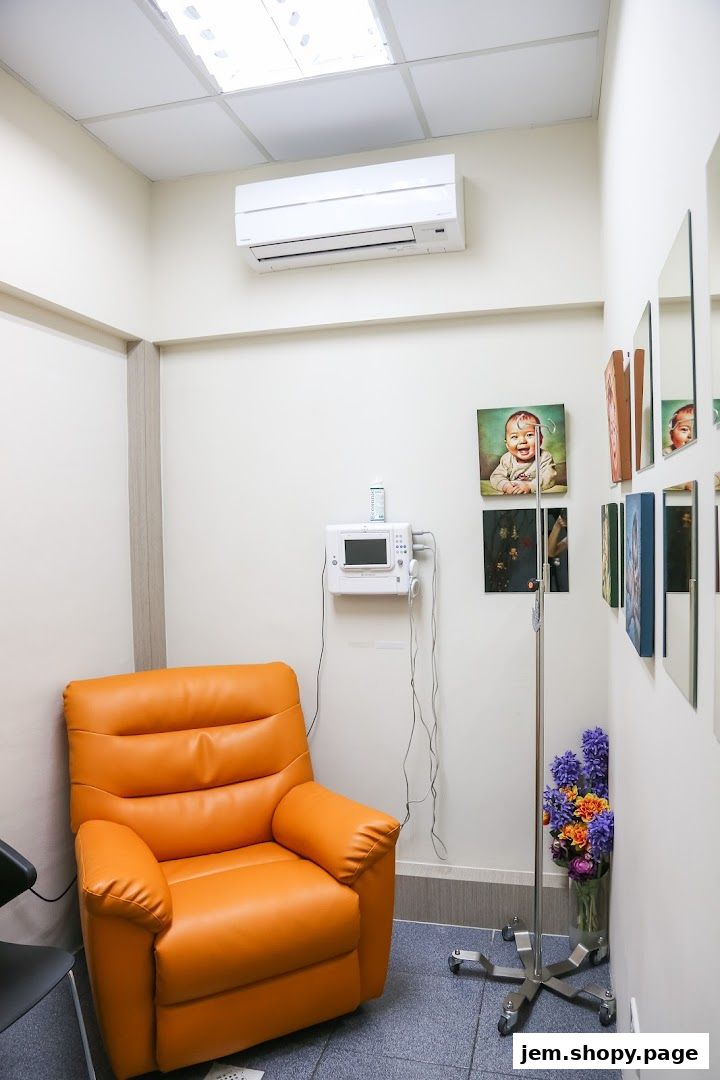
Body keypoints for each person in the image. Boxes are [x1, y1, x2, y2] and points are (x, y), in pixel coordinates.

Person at [489, 410, 557, 494]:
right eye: (514, 437)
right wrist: (506, 486)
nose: (522, 441)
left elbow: (549, 477)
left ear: (540, 440)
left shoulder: (544, 457)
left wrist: (530, 486)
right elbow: (496, 477)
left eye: (529, 435)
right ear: (507, 445)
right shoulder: (507, 459)